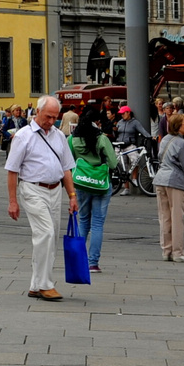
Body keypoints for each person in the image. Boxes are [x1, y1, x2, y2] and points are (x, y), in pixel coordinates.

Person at [5, 96, 78, 301]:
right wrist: (13, 201)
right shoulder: (23, 136)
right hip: (32, 189)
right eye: (48, 116)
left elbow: (66, 168)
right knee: (45, 233)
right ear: (37, 112)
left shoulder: (59, 136)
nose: (51, 121)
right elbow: (12, 171)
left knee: (51, 237)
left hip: (55, 190)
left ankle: (35, 285)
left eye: (55, 117)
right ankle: (46, 285)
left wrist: (72, 196)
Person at [69, 104, 116, 274]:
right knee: (97, 223)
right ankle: (93, 263)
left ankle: (79, 260)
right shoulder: (101, 138)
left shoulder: (73, 138)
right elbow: (113, 162)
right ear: (97, 121)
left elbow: (68, 160)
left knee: (83, 220)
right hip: (100, 184)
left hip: (81, 182)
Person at [154, 112, 184, 262]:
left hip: (160, 179)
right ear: (179, 126)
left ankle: (166, 251)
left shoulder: (165, 139)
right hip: (176, 182)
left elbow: (160, 156)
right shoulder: (183, 144)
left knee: (164, 217)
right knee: (177, 217)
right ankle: (178, 252)